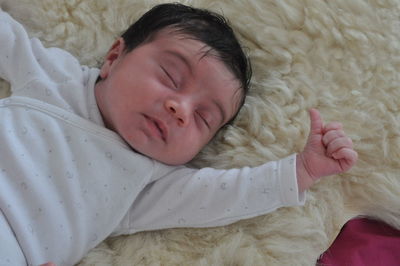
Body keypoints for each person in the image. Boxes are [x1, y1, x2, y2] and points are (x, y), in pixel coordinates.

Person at [0, 3, 357, 266]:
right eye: (171, 77)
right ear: (113, 57)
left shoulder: (147, 183)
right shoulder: (55, 75)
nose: (181, 109)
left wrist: (301, 170)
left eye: (203, 117)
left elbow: (224, 195)